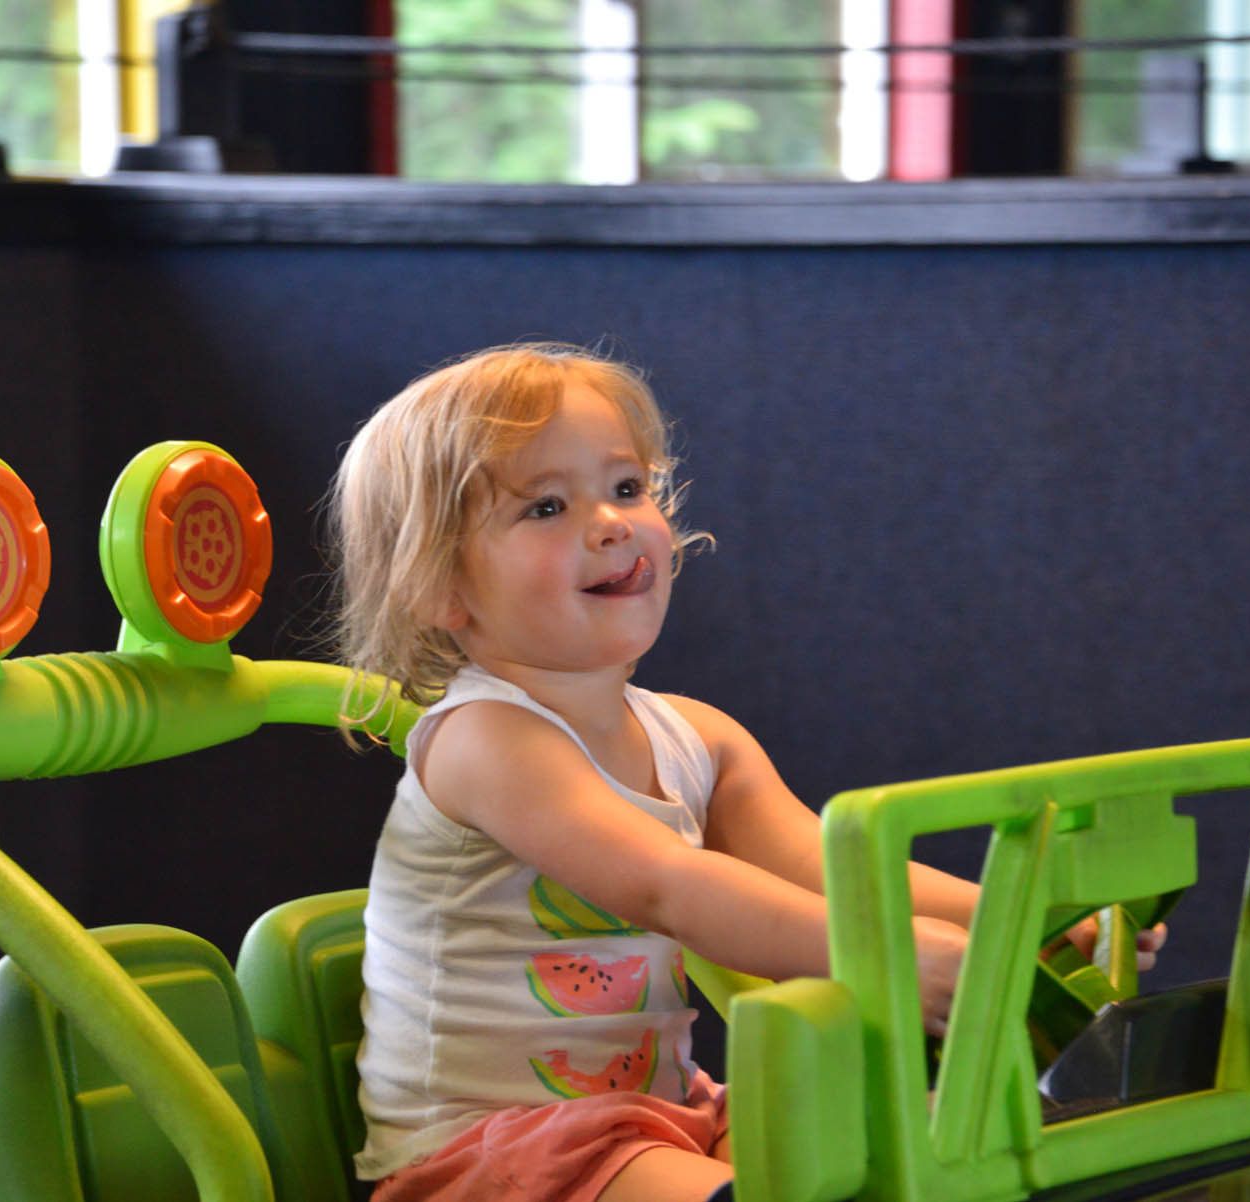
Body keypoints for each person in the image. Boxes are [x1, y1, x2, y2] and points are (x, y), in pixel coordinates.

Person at [330, 342, 1165, 1202]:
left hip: (659, 1117)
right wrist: (877, 958)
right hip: (483, 1152)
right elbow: (666, 886)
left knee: (919, 1161)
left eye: (626, 488)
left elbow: (832, 873)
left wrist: (1021, 924)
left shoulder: (700, 736)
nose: (612, 522)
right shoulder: (482, 740)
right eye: (545, 506)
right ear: (439, 590)